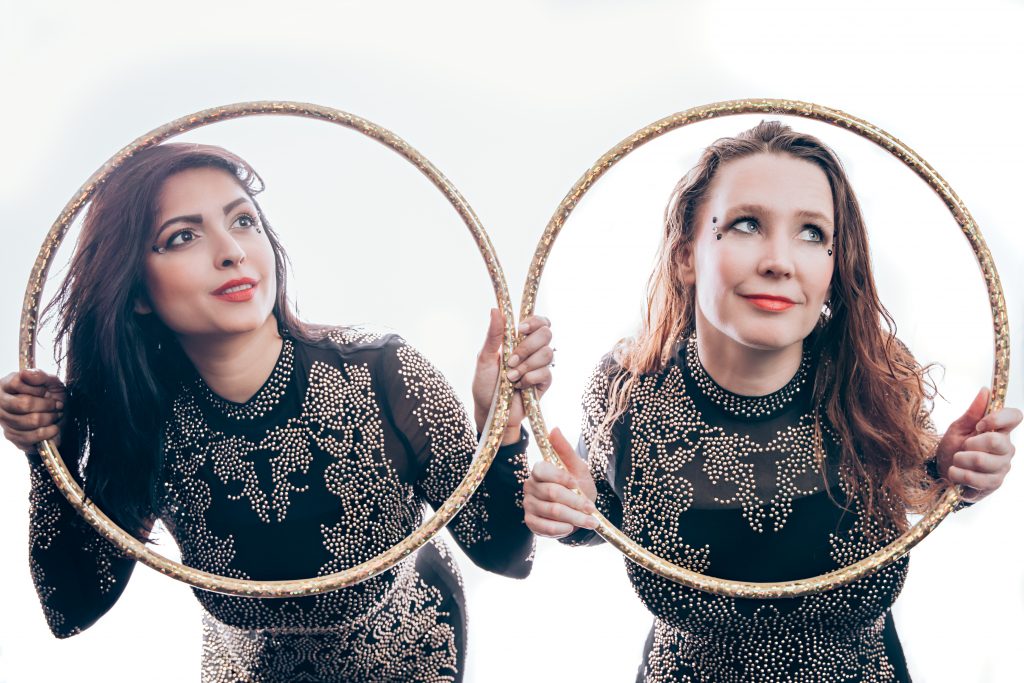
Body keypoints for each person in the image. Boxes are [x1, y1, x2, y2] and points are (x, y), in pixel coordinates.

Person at [0, 143, 553, 682]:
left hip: (415, 660)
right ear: (137, 291)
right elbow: (70, 610)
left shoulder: (383, 370)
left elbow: (505, 553)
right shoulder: (141, 418)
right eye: (183, 237)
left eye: (243, 222)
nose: (231, 251)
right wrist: (51, 453)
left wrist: (499, 423)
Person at [523, 121, 1020, 682]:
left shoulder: (870, 375)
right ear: (687, 254)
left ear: (834, 267)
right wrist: (573, 515)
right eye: (746, 225)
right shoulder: (628, 387)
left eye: (811, 233)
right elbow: (609, 518)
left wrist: (953, 472)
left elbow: (915, 489)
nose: (780, 261)